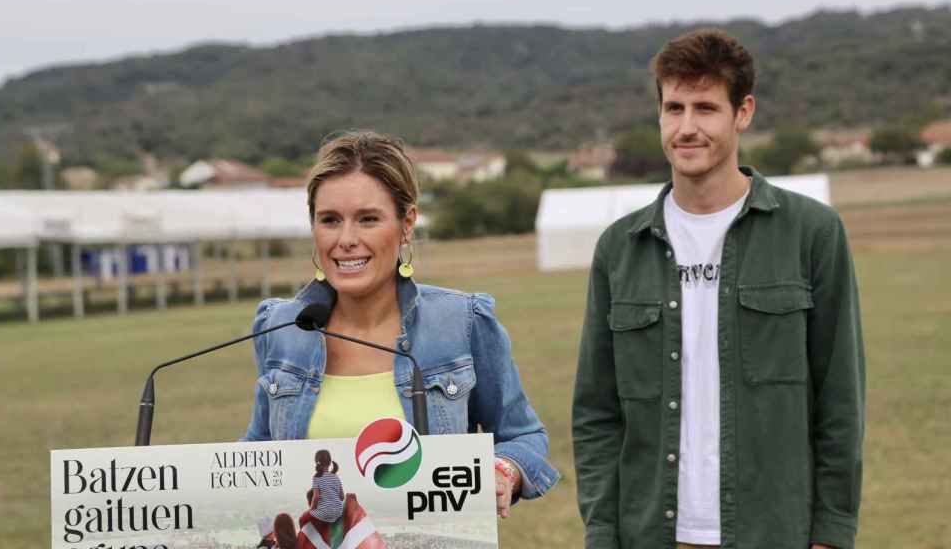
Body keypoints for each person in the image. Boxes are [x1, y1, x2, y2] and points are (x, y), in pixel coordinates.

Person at [572, 29, 864, 549]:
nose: (686, 128)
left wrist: (832, 534)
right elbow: (597, 414)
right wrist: (601, 530)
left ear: (743, 112)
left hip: (773, 531)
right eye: (673, 108)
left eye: (705, 108)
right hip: (650, 534)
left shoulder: (812, 234)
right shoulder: (619, 248)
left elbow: (839, 401)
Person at [243, 130, 559, 517]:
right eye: (329, 220)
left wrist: (503, 471)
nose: (346, 239)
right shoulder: (281, 327)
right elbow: (258, 454)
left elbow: (523, 437)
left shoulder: (462, 322)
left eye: (368, 219)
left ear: (406, 223)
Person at [309, 450, 344, 524]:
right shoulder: (336, 477)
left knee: (305, 517)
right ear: (330, 462)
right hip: (338, 513)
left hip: (325, 514)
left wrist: (311, 510)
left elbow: (316, 497)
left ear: (317, 462)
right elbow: (342, 497)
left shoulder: (316, 478)